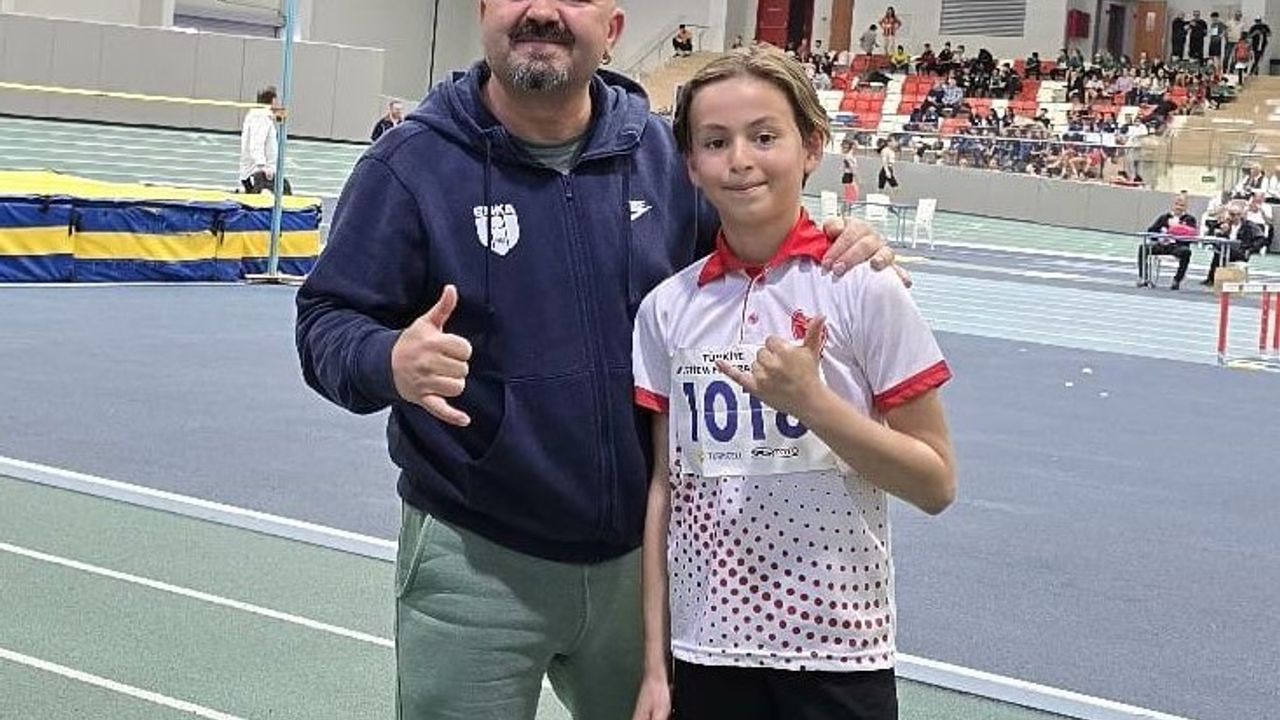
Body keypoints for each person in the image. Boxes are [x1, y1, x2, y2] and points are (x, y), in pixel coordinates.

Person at [294, 3, 897, 719]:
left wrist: (836, 243)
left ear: (611, 30)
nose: (542, 11)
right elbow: (326, 319)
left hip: (644, 565)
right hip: (475, 558)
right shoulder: (410, 165)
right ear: (484, 12)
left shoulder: (664, 158)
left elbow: (754, 249)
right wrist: (386, 358)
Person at [629, 44, 956, 720]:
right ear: (690, 165)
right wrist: (656, 665)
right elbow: (668, 487)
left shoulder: (866, 289)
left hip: (838, 655)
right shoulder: (668, 309)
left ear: (811, 147)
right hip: (709, 652)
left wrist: (810, 402)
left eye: (764, 136)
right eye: (715, 142)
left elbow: (935, 484)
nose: (739, 159)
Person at [238, 85, 291, 194]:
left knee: (284, 187)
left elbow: (275, 116)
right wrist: (262, 166)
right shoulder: (260, 117)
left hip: (258, 172)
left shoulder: (260, 115)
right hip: (258, 173)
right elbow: (256, 144)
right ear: (273, 101)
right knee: (284, 189)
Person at [1137, 194, 1195, 290]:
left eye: (1182, 205)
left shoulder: (1189, 219)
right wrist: (1159, 237)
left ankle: (1177, 280)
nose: (1178, 207)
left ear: (1186, 207)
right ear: (1173, 205)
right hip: (1162, 245)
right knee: (1143, 248)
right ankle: (1143, 277)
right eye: (1177, 204)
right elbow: (1151, 231)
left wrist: (1175, 228)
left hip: (1177, 246)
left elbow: (1191, 234)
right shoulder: (1164, 217)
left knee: (1186, 252)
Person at [1201, 200, 1266, 285]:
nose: (1235, 217)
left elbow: (1261, 239)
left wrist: (1250, 250)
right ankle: (1212, 278)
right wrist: (1222, 232)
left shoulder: (1249, 226)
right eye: (1232, 214)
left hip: (1241, 251)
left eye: (1238, 214)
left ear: (1242, 215)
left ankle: (1219, 279)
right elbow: (1214, 238)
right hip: (1226, 249)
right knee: (1219, 254)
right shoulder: (1224, 224)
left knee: (1222, 255)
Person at [841, 138, 860, 205]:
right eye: (856, 145)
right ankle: (845, 207)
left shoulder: (852, 156)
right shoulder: (848, 156)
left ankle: (848, 207)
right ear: (853, 146)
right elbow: (851, 167)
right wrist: (855, 175)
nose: (857, 147)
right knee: (849, 194)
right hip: (848, 175)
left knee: (852, 193)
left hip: (850, 175)